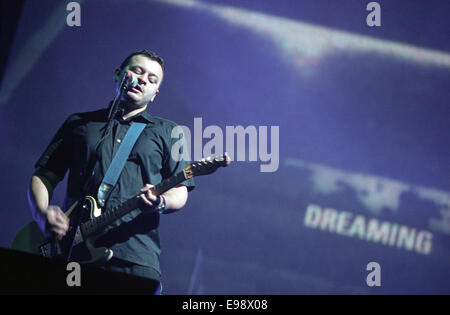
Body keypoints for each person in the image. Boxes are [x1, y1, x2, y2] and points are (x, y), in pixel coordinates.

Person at [27, 50, 195, 294]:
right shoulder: (80, 123)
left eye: (152, 79)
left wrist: (159, 202)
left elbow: (181, 190)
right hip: (72, 249)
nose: (143, 79)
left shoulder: (170, 132)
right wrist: (42, 214)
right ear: (119, 74)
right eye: (137, 71)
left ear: (155, 94)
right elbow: (44, 176)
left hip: (134, 258)